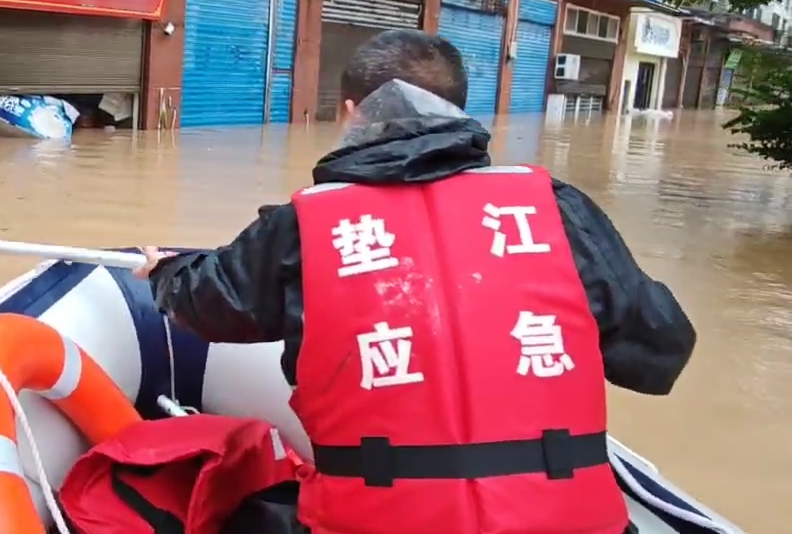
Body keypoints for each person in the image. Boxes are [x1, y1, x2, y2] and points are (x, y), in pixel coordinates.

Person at [133, 30, 696, 534]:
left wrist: (165, 269)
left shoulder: (303, 228)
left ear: (351, 112)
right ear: (459, 111)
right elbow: (661, 351)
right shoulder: (555, 211)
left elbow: (207, 304)